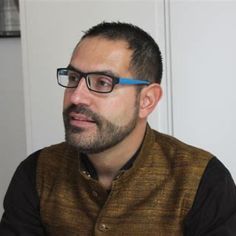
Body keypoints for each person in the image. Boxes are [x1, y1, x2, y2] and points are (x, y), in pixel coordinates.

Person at [0, 21, 236, 236]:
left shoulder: (203, 181)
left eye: (103, 82)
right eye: (73, 78)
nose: (77, 96)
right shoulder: (36, 173)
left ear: (147, 100)